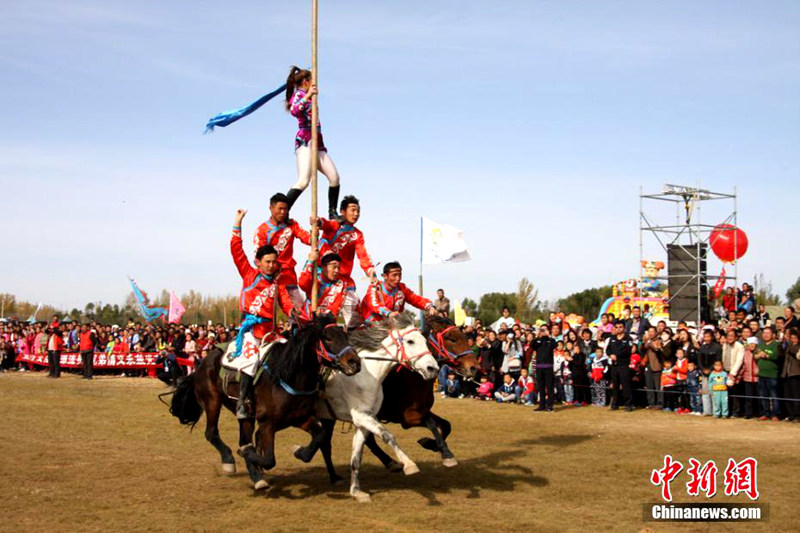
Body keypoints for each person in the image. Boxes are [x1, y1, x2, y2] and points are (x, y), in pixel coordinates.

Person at [229, 209, 295, 419]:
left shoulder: (278, 282)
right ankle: (242, 401)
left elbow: (285, 302)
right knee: (250, 360)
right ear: (258, 262)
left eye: (274, 262)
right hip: (251, 330)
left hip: (271, 331)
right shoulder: (249, 274)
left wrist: (294, 312)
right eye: (267, 262)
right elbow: (236, 250)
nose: (271, 265)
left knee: (291, 354)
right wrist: (238, 223)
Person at [283, 66, 341, 218]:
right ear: (305, 82)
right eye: (312, 82)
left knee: (334, 177)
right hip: (305, 140)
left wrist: (311, 96)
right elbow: (294, 111)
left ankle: (332, 212)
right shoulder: (299, 95)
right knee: (303, 181)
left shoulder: (312, 96)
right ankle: (283, 210)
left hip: (318, 142)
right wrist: (307, 95)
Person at [315, 195, 376, 329]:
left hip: (343, 279)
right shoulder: (334, 225)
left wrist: (370, 270)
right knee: (319, 314)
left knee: (355, 313)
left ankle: (351, 341)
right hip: (324, 277)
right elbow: (325, 224)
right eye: (352, 210)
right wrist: (318, 222)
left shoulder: (357, 234)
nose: (356, 214)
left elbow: (363, 254)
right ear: (342, 212)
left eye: (358, 211)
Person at [253, 193, 312, 308]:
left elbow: (307, 238)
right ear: (271, 208)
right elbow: (258, 258)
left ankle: (296, 325)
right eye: (280, 209)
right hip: (270, 276)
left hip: (288, 274)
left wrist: (314, 232)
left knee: (298, 308)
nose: (283, 212)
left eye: (285, 209)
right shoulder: (262, 231)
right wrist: (269, 272)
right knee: (265, 308)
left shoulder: (292, 225)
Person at [360, 261, 434, 324]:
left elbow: (416, 299)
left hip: (392, 327)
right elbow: (373, 304)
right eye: (394, 275)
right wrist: (388, 313)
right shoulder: (375, 287)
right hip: (372, 326)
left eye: (400, 275)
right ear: (385, 276)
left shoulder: (402, 289)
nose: (398, 278)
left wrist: (430, 306)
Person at [298, 250, 346, 320]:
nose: (337, 271)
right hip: (307, 320)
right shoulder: (314, 279)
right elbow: (302, 284)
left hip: (326, 322)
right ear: (323, 267)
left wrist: (322, 314)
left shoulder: (340, 285)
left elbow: (335, 307)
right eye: (334, 267)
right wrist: (310, 261)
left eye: (339, 268)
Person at [606, 320, 635, 411]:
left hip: (624, 365)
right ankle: (614, 404)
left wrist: (616, 356)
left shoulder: (628, 338)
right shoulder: (612, 338)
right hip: (614, 366)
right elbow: (608, 349)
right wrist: (610, 355)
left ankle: (628, 405)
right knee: (615, 385)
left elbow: (627, 351)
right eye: (617, 327)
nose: (618, 329)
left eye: (620, 327)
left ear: (624, 328)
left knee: (626, 385)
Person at [755, 326, 781, 421]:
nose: (765, 335)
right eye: (764, 333)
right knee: (763, 395)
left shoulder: (776, 344)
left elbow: (775, 355)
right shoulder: (760, 345)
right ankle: (766, 413)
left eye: (767, 333)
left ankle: (775, 414)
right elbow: (756, 355)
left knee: (774, 395)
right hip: (761, 374)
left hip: (772, 374)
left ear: (773, 335)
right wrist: (761, 355)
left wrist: (764, 355)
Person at [531, 325, 557, 412]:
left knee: (549, 387)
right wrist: (537, 336)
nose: (543, 332)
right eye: (542, 330)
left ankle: (550, 406)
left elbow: (555, 345)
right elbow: (532, 345)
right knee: (540, 387)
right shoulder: (538, 340)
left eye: (544, 330)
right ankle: (542, 405)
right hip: (539, 367)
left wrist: (549, 336)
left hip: (548, 367)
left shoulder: (551, 340)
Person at [697, 328, 721, 416]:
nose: (706, 338)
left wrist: (710, 369)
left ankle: (716, 411)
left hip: (714, 373)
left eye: (708, 337)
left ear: (712, 337)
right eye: (705, 336)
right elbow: (699, 360)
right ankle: (707, 410)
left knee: (714, 393)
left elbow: (717, 360)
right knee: (705, 392)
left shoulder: (717, 347)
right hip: (704, 372)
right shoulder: (702, 348)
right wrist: (703, 369)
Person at [781, 328, 800, 422]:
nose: (793, 340)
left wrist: (790, 345)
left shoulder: (797, 347)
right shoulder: (788, 345)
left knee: (796, 395)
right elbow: (781, 354)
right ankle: (790, 414)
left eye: (795, 338)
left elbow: (796, 354)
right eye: (791, 338)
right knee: (787, 395)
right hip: (786, 373)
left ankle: (797, 415)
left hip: (796, 374)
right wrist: (782, 342)